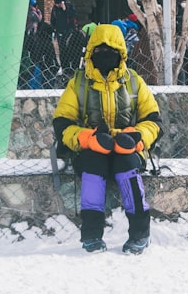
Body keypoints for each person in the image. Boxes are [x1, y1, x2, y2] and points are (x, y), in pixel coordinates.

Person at [53, 24, 162, 254]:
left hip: (127, 148)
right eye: (100, 51)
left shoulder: (134, 82)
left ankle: (140, 233)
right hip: (92, 148)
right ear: (91, 52)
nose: (105, 55)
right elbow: (63, 123)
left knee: (128, 169)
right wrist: (85, 138)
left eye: (111, 51)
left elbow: (153, 120)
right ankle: (91, 235)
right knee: (93, 168)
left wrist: (137, 137)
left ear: (122, 53)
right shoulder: (78, 83)